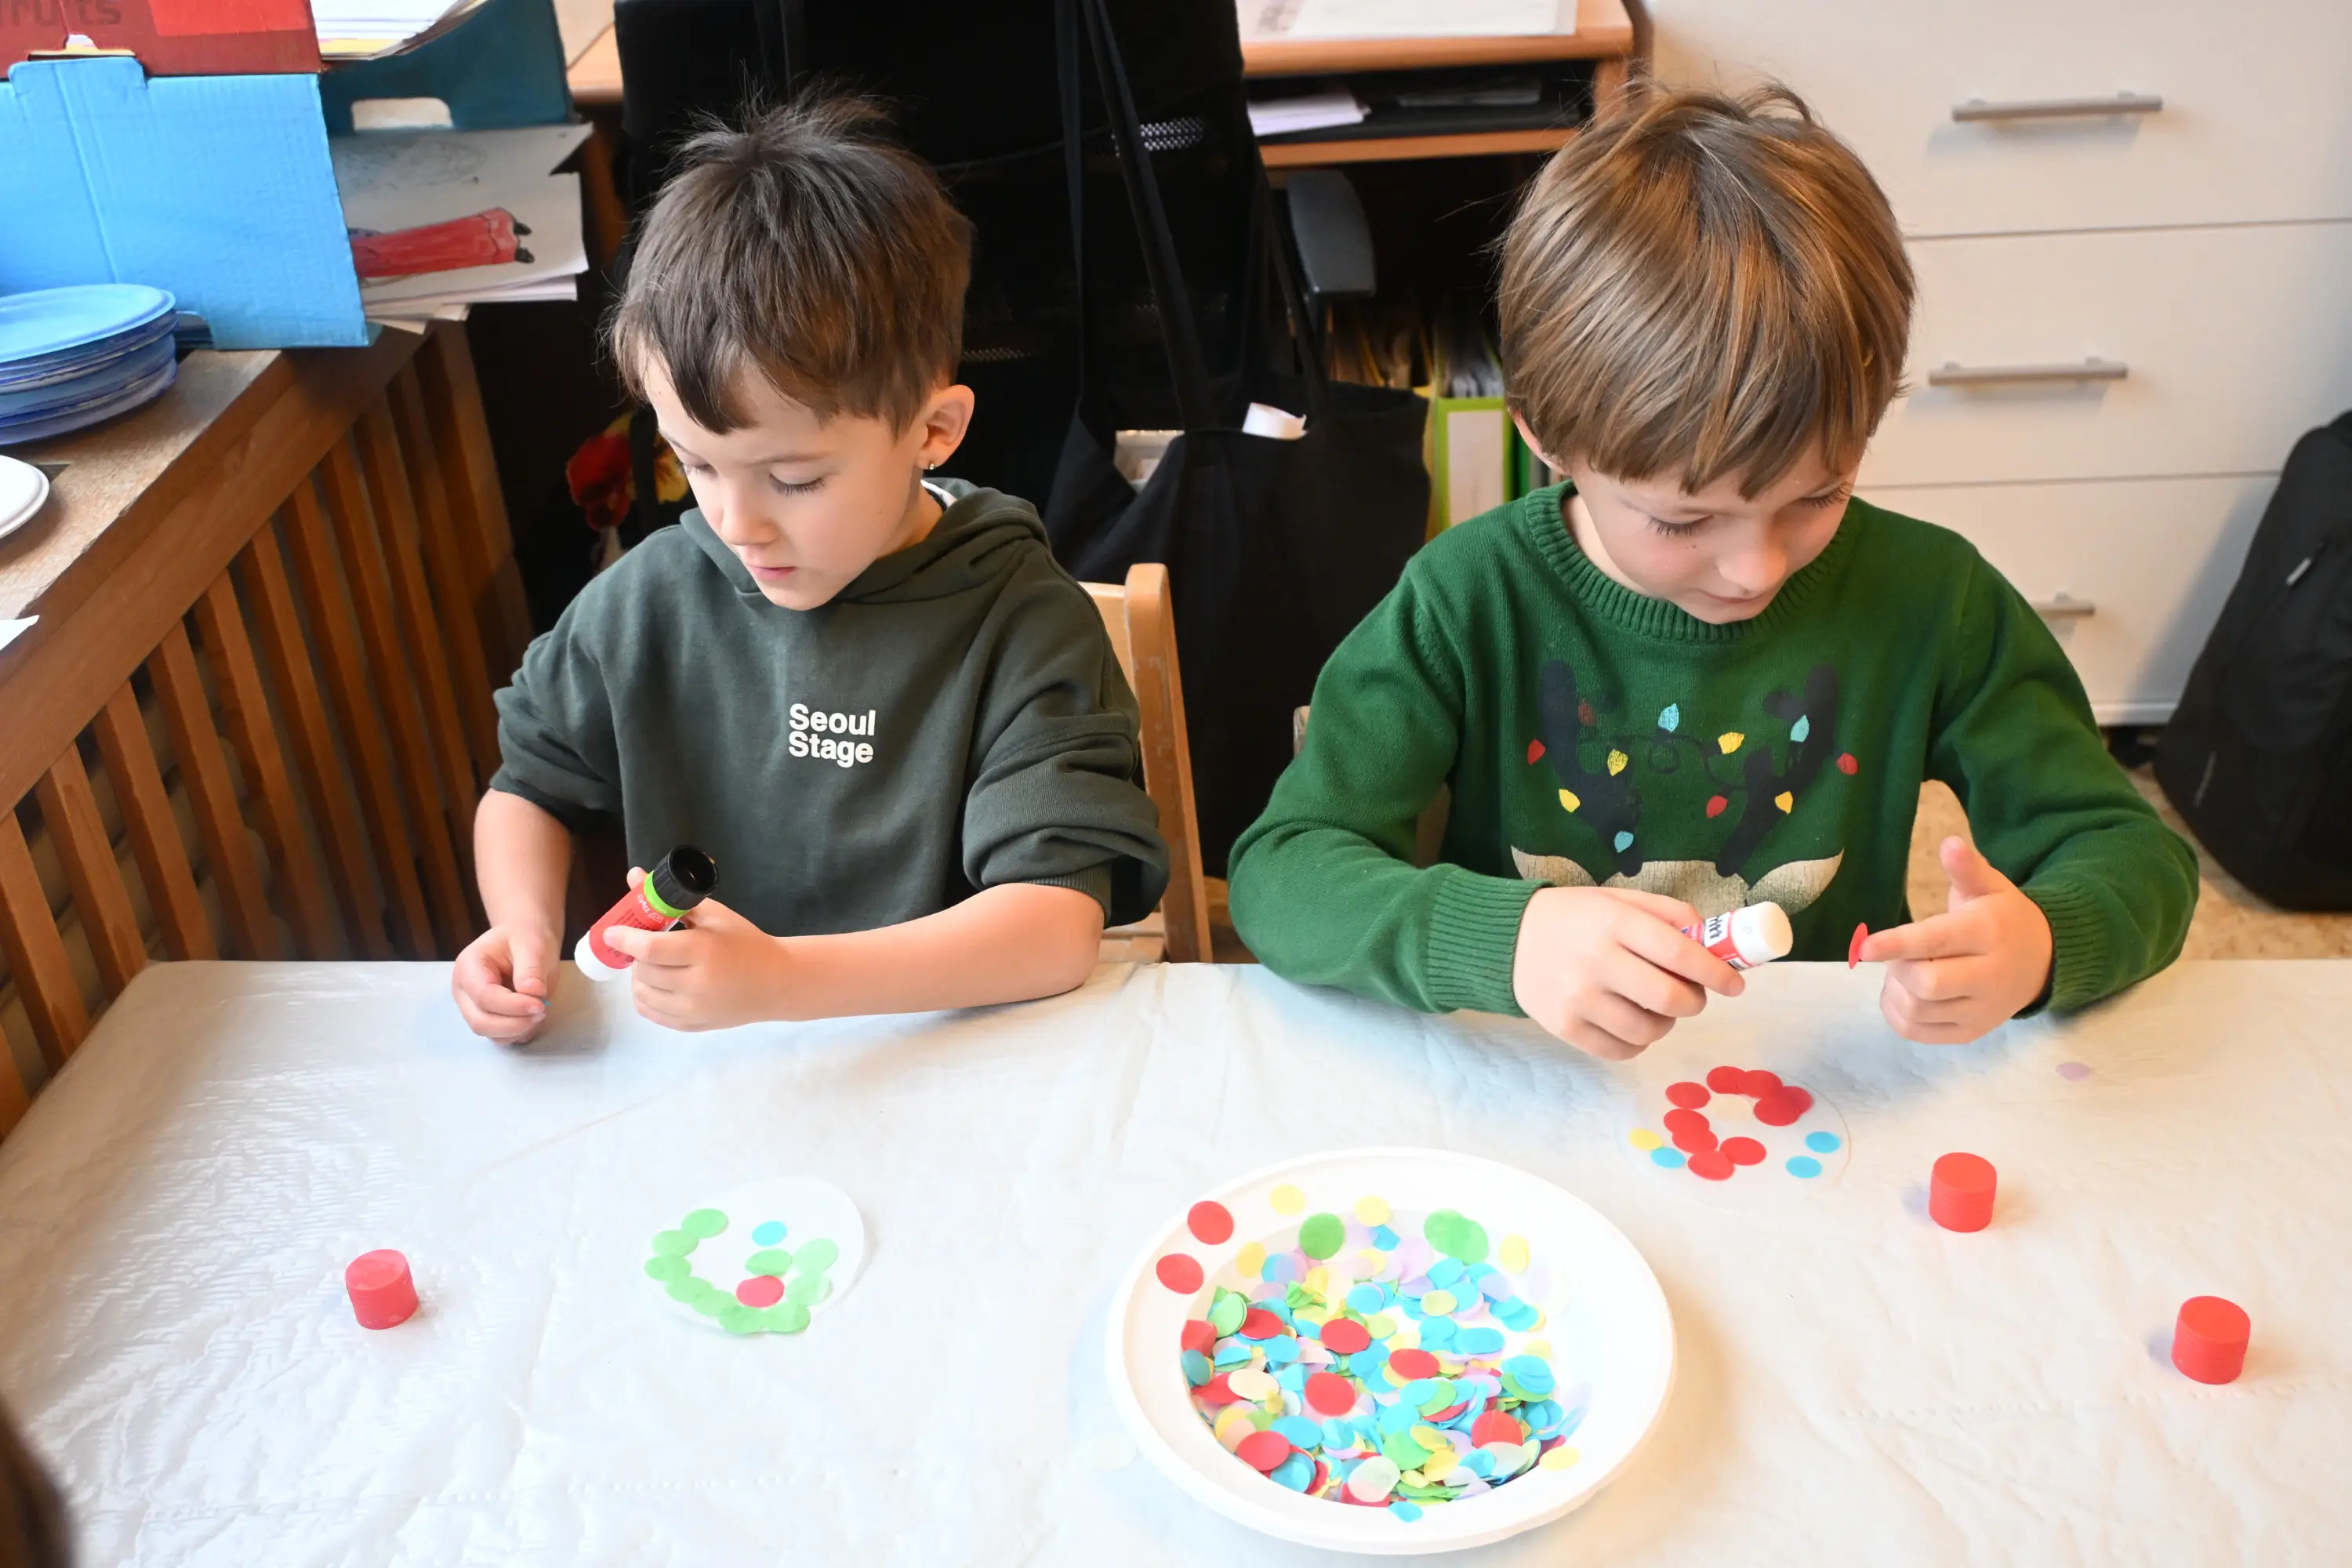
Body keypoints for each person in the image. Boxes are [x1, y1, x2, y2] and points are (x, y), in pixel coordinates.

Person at [1227, 85, 2196, 1058]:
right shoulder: (1467, 598)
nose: (1754, 566)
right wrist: (1503, 937)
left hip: (1821, 1089)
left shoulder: (1935, 601)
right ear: (1546, 435)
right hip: (1540, 1092)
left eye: (1818, 496)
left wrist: (2042, 940)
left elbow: (2131, 853)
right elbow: (1284, 871)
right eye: (1684, 518)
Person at [453, 97, 1168, 1040]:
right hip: (713, 1074)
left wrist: (784, 979)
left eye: (794, 478)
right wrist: (522, 928)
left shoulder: (1020, 621)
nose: (735, 521)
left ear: (933, 430)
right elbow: (529, 788)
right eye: (696, 463)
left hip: (949, 1061)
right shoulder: (653, 596)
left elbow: (1053, 926)